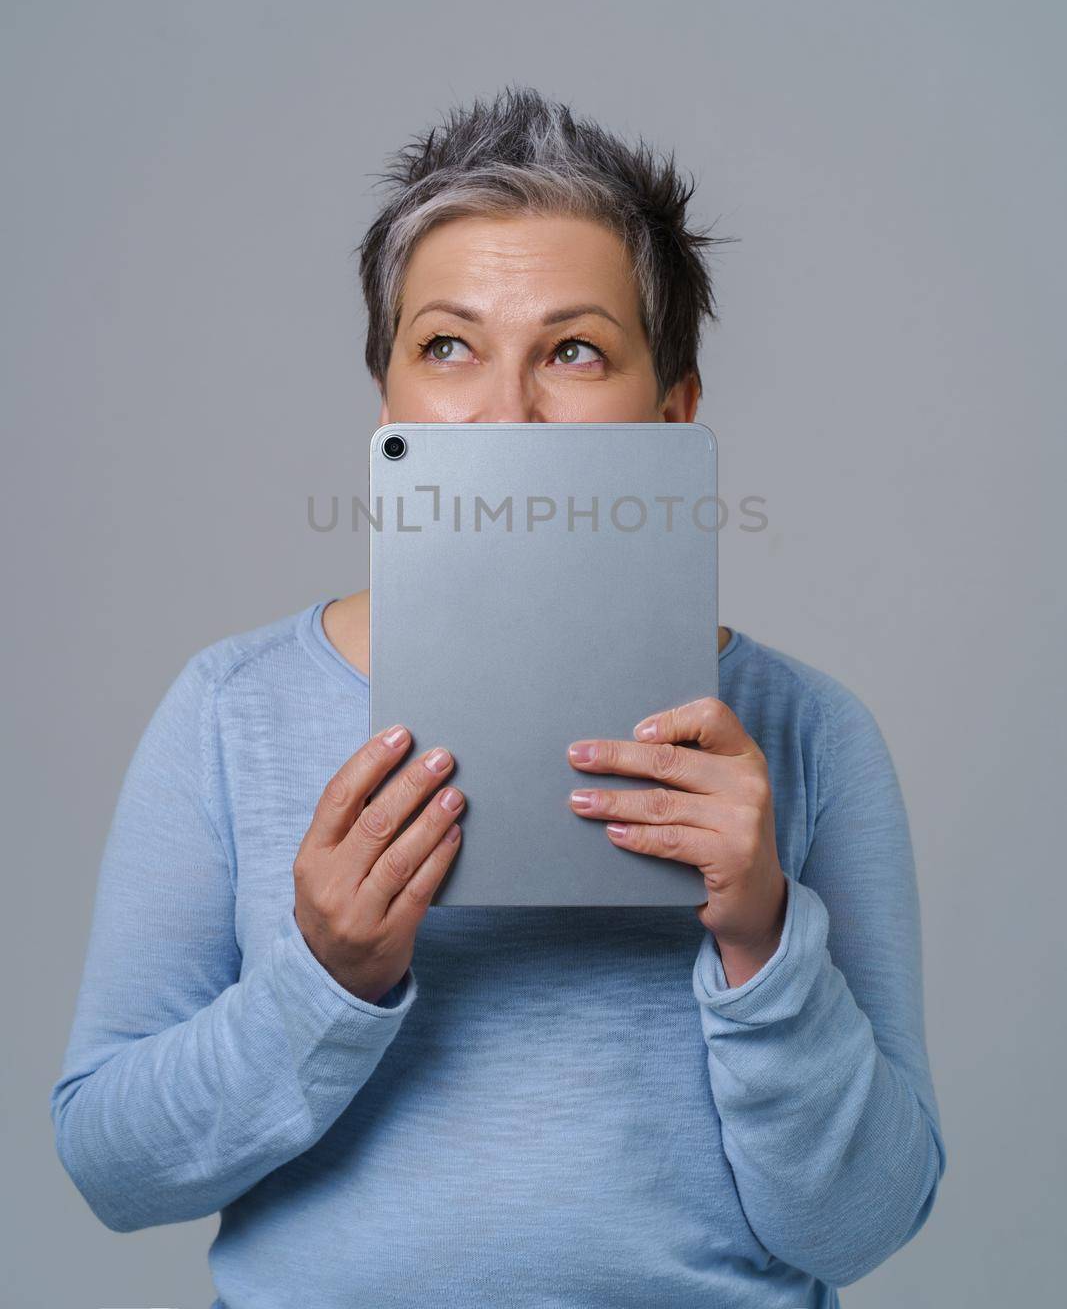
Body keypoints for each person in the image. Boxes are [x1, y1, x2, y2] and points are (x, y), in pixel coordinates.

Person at [50, 85, 946, 1308]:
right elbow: (114, 1172)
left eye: (574, 350)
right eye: (446, 345)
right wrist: (323, 977)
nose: (504, 408)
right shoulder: (230, 710)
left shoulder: (806, 732)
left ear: (671, 409)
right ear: (387, 406)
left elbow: (861, 1225)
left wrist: (760, 936)